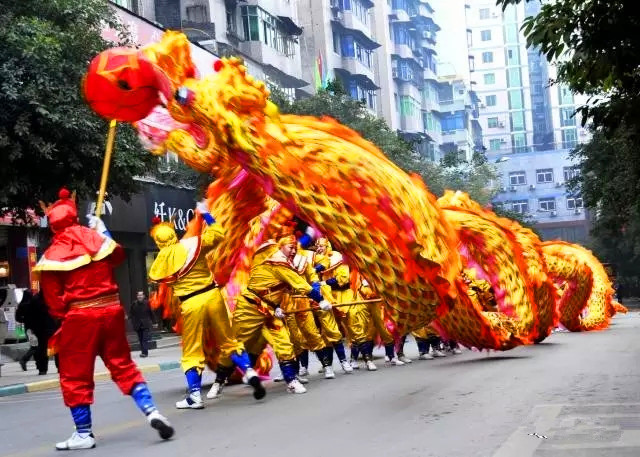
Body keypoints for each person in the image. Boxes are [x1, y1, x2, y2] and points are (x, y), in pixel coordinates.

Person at [35, 188, 173, 450]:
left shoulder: (53, 254)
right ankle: (152, 411)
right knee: (123, 365)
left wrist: (67, 320)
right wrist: (103, 231)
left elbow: (54, 302)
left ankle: (83, 433)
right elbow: (118, 256)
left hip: (80, 317)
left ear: (52, 224)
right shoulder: (95, 238)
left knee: (75, 375)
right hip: (111, 311)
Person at [148, 202, 264, 409]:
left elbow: (159, 279)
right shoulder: (193, 244)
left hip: (191, 304)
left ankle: (194, 395)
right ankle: (248, 370)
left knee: (192, 351)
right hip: (213, 295)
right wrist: (206, 214)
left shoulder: (160, 262)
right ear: (174, 234)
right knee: (229, 341)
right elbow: (218, 234)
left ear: (157, 241)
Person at [230, 228, 334, 394]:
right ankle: (223, 379)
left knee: (289, 342)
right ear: (279, 246)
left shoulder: (292, 260)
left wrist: (277, 306)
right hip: (252, 306)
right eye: (290, 247)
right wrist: (320, 300)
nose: (293, 250)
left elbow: (291, 284)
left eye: (294, 247)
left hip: (277, 309)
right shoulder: (276, 260)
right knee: (236, 343)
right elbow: (298, 284)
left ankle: (293, 379)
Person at [15, 290, 58, 375]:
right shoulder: (50, 299)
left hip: (36, 329)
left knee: (39, 348)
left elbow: (24, 317)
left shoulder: (33, 301)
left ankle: (41, 368)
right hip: (50, 328)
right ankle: (58, 367)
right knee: (54, 348)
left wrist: (29, 324)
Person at [130, 291, 154, 358]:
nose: (139, 296)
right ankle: (143, 352)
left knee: (144, 339)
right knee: (140, 339)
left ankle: (145, 353)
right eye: (138, 295)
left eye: (141, 295)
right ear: (137, 296)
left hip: (145, 324)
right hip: (138, 324)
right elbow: (131, 313)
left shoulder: (147, 303)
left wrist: (154, 322)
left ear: (143, 296)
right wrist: (132, 321)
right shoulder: (134, 304)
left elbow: (151, 313)